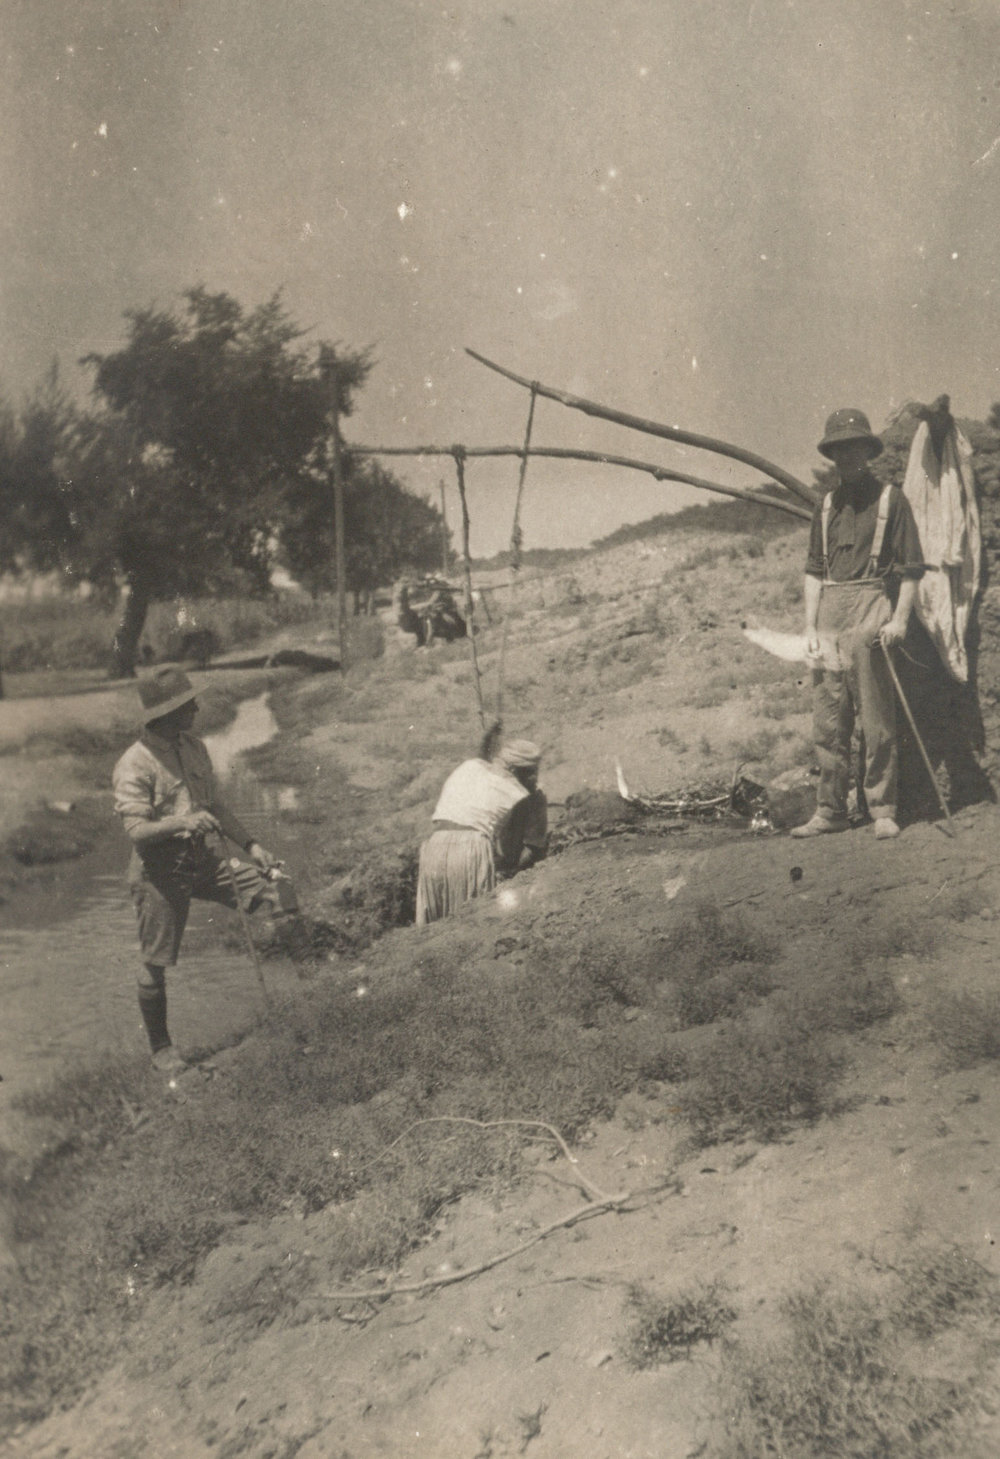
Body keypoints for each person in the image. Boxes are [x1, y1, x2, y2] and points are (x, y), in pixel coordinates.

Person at [112, 667, 288, 1073]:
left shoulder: (193, 746)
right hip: (158, 871)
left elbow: (216, 806)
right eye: (187, 703)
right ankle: (161, 1050)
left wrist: (252, 845)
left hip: (203, 859)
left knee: (275, 889)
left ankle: (309, 988)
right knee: (156, 962)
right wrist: (183, 822)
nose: (196, 706)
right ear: (166, 713)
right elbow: (137, 831)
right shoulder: (134, 764)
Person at [791, 408, 925, 841]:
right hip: (829, 614)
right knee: (829, 721)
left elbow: (910, 569)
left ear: (867, 451)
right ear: (833, 455)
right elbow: (814, 570)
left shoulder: (891, 500)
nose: (848, 456)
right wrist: (810, 627)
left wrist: (900, 619)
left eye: (855, 448)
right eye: (840, 450)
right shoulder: (826, 505)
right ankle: (829, 809)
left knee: (876, 717)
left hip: (872, 611)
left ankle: (882, 808)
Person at [416, 735, 548, 925]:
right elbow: (529, 849)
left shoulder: (470, 767)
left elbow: (483, 758)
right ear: (515, 770)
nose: (534, 777)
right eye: (531, 772)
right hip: (469, 850)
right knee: (470, 922)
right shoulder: (523, 793)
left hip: (433, 848)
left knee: (436, 923)